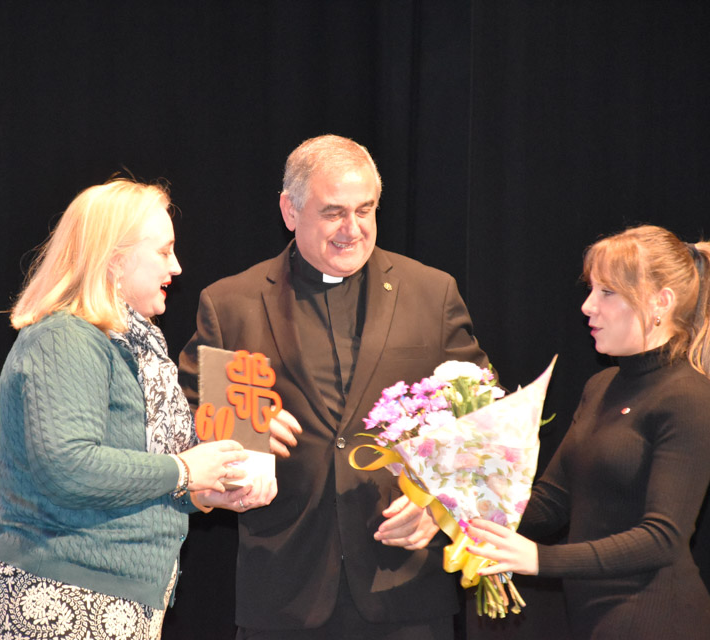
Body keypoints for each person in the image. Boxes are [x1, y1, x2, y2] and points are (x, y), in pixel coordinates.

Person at [178, 134, 490, 639]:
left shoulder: (432, 293)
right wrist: (240, 423)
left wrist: (443, 503)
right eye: (333, 213)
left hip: (404, 586)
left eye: (365, 210)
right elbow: (184, 418)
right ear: (290, 210)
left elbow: (483, 419)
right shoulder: (231, 304)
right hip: (285, 591)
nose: (353, 229)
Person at [0, 177, 277, 640]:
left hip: (116, 598)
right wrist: (184, 470)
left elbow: (134, 478)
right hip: (62, 592)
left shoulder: (133, 348)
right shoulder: (65, 337)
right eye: (163, 251)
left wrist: (204, 491)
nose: (176, 266)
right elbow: (68, 467)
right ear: (115, 260)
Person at [467, 225, 710, 639]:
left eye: (608, 292)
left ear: (661, 302)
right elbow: (551, 504)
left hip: (656, 620)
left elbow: (662, 538)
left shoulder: (688, 397)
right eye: (591, 289)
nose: (588, 306)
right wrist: (465, 502)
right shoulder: (600, 386)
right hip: (593, 618)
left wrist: (539, 559)